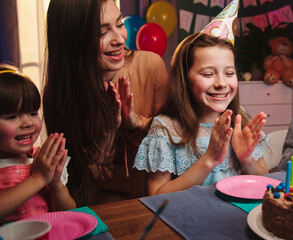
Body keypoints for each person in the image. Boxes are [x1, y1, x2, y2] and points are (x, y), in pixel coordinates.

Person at [43, 0, 169, 206]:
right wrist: (108, 134)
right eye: (102, 32)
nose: (119, 39)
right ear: (73, 39)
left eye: (119, 24)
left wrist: (135, 123)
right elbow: (76, 182)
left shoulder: (150, 66)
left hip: (151, 205)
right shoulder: (62, 92)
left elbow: (175, 146)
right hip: (95, 212)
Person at [133, 33, 269, 195]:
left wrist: (245, 158)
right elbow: (156, 196)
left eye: (229, 73)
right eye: (208, 74)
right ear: (184, 79)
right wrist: (209, 159)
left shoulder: (239, 118)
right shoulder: (166, 128)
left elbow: (267, 184)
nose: (221, 83)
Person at [0, 64, 75, 223]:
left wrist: (55, 185)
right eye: (12, 116)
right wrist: (39, 178)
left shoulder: (43, 160)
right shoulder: (41, 170)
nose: (28, 123)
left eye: (33, 113)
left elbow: (69, 214)